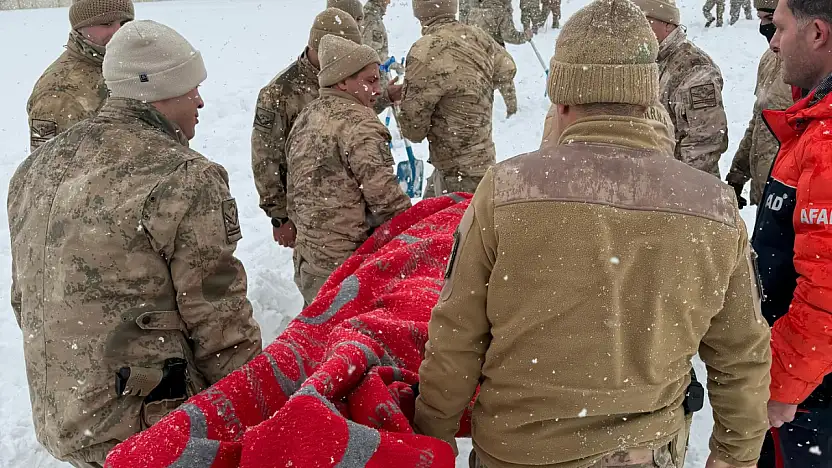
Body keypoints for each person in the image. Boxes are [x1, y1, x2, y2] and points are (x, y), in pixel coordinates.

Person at [415, 2, 772, 468]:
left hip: (518, 453)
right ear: (648, 101)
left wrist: (431, 436)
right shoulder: (713, 207)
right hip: (644, 453)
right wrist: (736, 457)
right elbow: (742, 354)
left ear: (561, 100)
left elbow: (456, 338)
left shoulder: (505, 191)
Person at [8, 20, 263, 468]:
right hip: (151, 425)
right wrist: (253, 414)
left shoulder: (35, 170)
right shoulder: (183, 175)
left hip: (67, 414)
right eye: (191, 89)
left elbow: (23, 299)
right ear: (159, 91)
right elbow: (220, 322)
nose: (201, 100)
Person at [753, 0, 832, 466]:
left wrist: (783, 382)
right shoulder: (811, 125)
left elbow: (827, 288)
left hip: (808, 395)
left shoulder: (826, 145)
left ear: (818, 33)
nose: (774, 43)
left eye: (779, 29)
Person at [285, 34, 411, 305]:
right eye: (370, 81)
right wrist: (416, 234)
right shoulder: (360, 125)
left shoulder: (307, 117)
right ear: (342, 81)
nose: (377, 90)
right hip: (348, 268)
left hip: (310, 263)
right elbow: (386, 200)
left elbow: (293, 190)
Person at [251, 9, 362, 250]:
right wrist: (279, 216)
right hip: (310, 209)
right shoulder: (280, 93)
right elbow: (266, 158)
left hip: (353, 203)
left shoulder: (345, 76)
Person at [394, 0, 504, 198]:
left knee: (452, 225)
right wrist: (475, 89)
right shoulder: (477, 36)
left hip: (454, 172)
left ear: (418, 11)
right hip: (483, 158)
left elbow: (413, 129)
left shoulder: (424, 50)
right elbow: (508, 69)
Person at [634, 0, 729, 178]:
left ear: (667, 24)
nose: (633, 29)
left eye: (642, 21)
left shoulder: (693, 67)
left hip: (681, 188)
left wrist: (680, 189)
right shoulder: (650, 59)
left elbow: (704, 142)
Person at [27, 0, 134, 151]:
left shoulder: (127, 62)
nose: (118, 31)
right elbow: (46, 168)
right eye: (107, 23)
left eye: (124, 23)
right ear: (80, 26)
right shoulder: (57, 95)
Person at [726, 0, 792, 209]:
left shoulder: (809, 67)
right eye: (761, 19)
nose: (764, 27)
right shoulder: (769, 59)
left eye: (770, 20)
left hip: (793, 196)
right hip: (767, 193)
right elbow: (759, 120)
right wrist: (738, 174)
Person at [467, 0, 532, 118]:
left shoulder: (473, 11)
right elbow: (510, 36)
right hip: (495, 53)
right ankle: (512, 112)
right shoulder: (500, 11)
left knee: (481, 83)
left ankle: (481, 112)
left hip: (475, 54)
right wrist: (525, 36)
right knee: (505, 81)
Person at [362, 0, 404, 75]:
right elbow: (371, 54)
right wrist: (394, 65)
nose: (389, 2)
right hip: (372, 78)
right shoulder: (372, 20)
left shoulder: (370, 17)